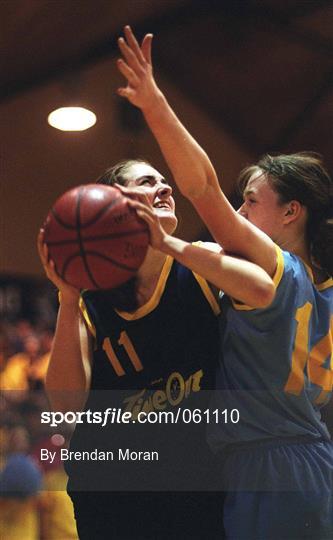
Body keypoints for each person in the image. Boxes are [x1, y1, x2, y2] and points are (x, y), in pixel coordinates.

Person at [116, 25, 333, 540]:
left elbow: (203, 190)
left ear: (290, 213)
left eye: (251, 202)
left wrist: (154, 104)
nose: (239, 212)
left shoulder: (281, 271)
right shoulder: (324, 289)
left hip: (270, 466)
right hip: (312, 460)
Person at [38, 156, 274, 538]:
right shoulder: (88, 301)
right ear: (111, 203)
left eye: (164, 181)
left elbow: (263, 290)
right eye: (147, 183)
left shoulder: (200, 262)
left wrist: (167, 243)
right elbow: (65, 406)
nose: (164, 189)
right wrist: (67, 297)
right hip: (112, 494)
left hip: (196, 489)